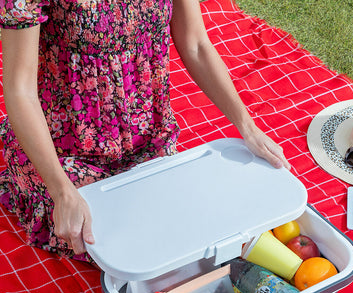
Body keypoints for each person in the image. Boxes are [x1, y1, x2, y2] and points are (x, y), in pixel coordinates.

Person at [0, 0, 290, 262]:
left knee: (186, 233)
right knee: (123, 246)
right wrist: (62, 191)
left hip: (149, 141)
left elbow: (196, 45)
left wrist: (246, 126)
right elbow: (19, 90)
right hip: (63, 154)